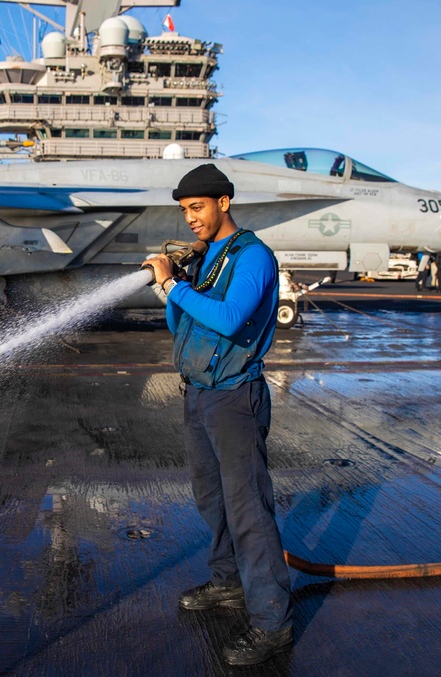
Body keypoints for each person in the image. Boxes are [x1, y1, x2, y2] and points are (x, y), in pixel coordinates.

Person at [141, 164, 292, 667]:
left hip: (234, 398)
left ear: (223, 202)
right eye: (185, 210)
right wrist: (176, 287)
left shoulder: (253, 257)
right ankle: (228, 584)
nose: (190, 219)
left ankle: (272, 625)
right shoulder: (207, 260)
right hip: (197, 394)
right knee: (212, 499)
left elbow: (229, 320)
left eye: (198, 207)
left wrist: (174, 285)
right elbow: (178, 322)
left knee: (248, 509)